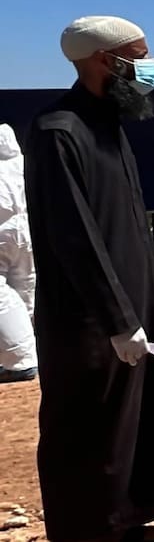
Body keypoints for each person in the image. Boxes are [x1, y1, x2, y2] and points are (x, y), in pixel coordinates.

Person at [26, 16, 154, 541]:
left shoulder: (107, 124)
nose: (150, 67)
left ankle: (126, 525)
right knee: (91, 427)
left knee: (136, 423)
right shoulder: (59, 131)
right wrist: (118, 319)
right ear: (105, 60)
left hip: (135, 300)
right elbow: (75, 236)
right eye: (141, 55)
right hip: (90, 317)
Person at [0, 123, 36, 383]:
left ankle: (21, 359)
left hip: (3, 235)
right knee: (26, 294)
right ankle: (35, 351)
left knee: (4, 297)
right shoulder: (22, 165)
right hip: (27, 233)